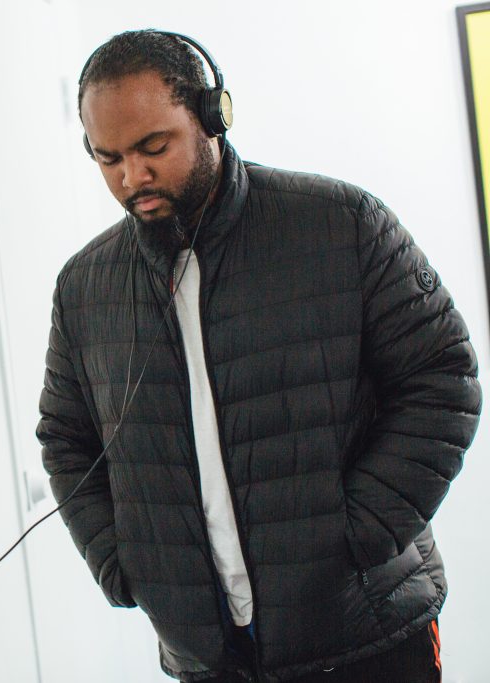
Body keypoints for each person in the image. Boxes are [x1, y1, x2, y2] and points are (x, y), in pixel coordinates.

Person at [37, 29, 481, 683]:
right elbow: (65, 438)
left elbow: (443, 377)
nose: (133, 177)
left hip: (367, 635)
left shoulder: (342, 224)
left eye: (154, 147)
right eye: (109, 159)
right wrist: (120, 561)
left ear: (212, 118)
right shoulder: (84, 288)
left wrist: (362, 531)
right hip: (211, 661)